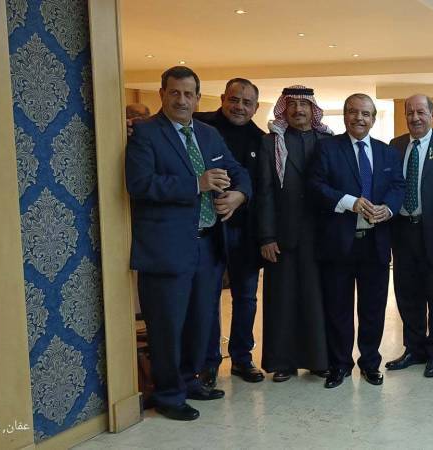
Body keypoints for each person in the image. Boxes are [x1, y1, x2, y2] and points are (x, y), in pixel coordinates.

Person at [125, 66, 251, 421]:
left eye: (188, 94)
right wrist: (197, 184)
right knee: (167, 325)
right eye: (175, 93)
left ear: (197, 98)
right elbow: (140, 184)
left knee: (200, 321)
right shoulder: (145, 134)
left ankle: (189, 381)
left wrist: (239, 195)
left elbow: (238, 171)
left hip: (208, 246)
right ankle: (168, 394)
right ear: (162, 94)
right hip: (166, 248)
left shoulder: (209, 134)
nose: (182, 100)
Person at [308, 93, 404, 389]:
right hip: (339, 243)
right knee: (338, 308)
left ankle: (370, 363)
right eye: (353, 112)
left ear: (373, 119)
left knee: (373, 308)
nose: (359, 118)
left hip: (375, 242)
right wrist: (349, 202)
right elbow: (315, 186)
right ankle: (339, 365)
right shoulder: (327, 148)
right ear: (345, 116)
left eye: (365, 113)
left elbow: (398, 186)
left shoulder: (386, 151)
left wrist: (388, 208)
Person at [255, 86, 334, 382]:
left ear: (313, 109)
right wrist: (266, 236)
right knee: (282, 300)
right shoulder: (270, 143)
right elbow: (264, 192)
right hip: (282, 235)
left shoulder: (328, 141)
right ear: (284, 109)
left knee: (318, 299)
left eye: (304, 105)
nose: (298, 110)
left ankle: (319, 360)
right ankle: (283, 362)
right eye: (292, 105)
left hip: (321, 235)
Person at [193, 78, 266, 385]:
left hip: (245, 231)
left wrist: (241, 197)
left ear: (256, 108)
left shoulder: (261, 141)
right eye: (234, 100)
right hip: (208, 231)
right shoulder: (199, 126)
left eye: (247, 103)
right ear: (223, 98)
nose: (239, 107)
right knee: (208, 298)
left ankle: (242, 358)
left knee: (246, 298)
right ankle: (209, 362)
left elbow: (263, 188)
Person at [385, 94, 433, 378]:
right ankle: (413, 348)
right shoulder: (396, 145)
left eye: (421, 112)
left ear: (432, 114)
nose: (415, 118)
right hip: (403, 230)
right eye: (410, 112)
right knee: (407, 292)